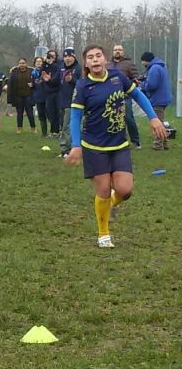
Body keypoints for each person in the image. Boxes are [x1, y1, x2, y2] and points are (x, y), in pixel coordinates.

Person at [66, 45, 167, 248]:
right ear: (85, 63)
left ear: (105, 59)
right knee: (103, 190)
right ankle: (104, 234)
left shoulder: (117, 77)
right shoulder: (83, 86)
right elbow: (75, 117)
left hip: (119, 144)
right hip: (94, 146)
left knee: (125, 190)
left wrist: (153, 118)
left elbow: (138, 95)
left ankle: (110, 204)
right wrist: (76, 145)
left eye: (98, 56)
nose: (95, 60)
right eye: (90, 57)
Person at [106, 44, 141, 148]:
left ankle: (135, 141)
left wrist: (134, 83)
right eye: (115, 50)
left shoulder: (129, 64)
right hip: (110, 97)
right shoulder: (107, 65)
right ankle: (116, 140)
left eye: (119, 50)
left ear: (123, 52)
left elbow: (136, 78)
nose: (117, 51)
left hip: (125, 96)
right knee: (112, 119)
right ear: (112, 52)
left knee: (128, 118)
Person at [139, 51, 174, 151]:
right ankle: (165, 143)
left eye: (142, 62)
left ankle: (158, 145)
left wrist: (142, 85)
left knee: (157, 122)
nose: (143, 64)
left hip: (157, 99)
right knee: (161, 122)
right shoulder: (161, 66)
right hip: (163, 98)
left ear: (145, 60)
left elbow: (151, 85)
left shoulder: (154, 68)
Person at [57, 48, 82, 157]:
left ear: (74, 57)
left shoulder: (78, 68)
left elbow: (81, 84)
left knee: (67, 126)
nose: (67, 59)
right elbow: (55, 81)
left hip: (73, 102)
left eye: (69, 56)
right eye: (65, 56)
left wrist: (72, 80)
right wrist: (48, 80)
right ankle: (70, 147)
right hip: (62, 100)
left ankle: (66, 149)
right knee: (63, 125)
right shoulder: (61, 67)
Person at [7, 58, 36, 134]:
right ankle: (19, 128)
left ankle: (33, 128)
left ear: (26, 64)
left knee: (30, 112)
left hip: (28, 95)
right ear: (18, 64)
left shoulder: (31, 71)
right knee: (19, 113)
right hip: (18, 95)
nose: (22, 65)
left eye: (23, 63)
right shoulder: (14, 71)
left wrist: (33, 85)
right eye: (20, 63)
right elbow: (11, 83)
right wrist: (10, 97)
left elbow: (35, 80)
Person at [41, 49, 61, 137]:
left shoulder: (59, 64)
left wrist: (51, 63)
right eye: (50, 56)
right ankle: (53, 131)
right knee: (50, 112)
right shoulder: (45, 64)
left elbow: (58, 71)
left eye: (53, 56)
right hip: (48, 91)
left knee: (57, 112)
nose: (51, 58)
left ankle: (57, 131)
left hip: (57, 91)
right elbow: (41, 72)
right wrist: (45, 63)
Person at [31, 56, 48, 136]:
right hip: (38, 96)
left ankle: (55, 131)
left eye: (40, 61)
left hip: (47, 95)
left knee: (50, 114)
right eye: (37, 61)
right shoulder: (33, 73)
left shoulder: (46, 72)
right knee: (41, 115)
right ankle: (44, 132)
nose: (38, 63)